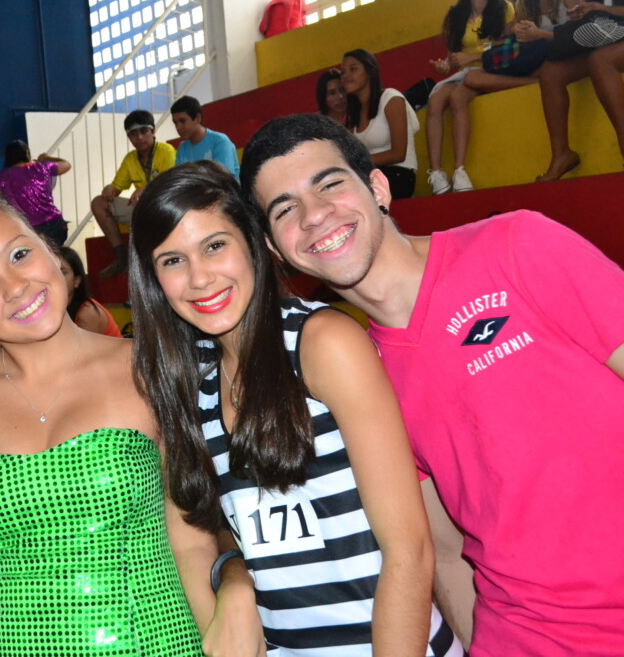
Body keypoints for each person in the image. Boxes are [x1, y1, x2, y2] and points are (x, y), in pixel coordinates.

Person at [240, 112, 624, 654]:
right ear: (276, 249)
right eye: (285, 210)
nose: (315, 216)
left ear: (378, 188)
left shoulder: (516, 245)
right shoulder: (362, 375)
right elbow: (444, 551)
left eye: (329, 184)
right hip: (523, 636)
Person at [128, 161, 462, 656]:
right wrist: (233, 579)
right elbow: (215, 528)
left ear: (254, 242)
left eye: (215, 246)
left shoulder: (322, 342)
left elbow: (408, 551)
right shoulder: (188, 383)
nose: (199, 278)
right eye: (172, 260)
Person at [0, 194, 216, 655]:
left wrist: (221, 630)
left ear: (53, 253)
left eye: (19, 255)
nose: (15, 287)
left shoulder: (150, 367)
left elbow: (191, 541)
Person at [425, 0, 515, 194]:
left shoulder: (505, 8)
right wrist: (444, 66)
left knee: (457, 96)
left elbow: (508, 47)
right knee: (436, 98)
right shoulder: (455, 15)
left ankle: (459, 170)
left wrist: (473, 57)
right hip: (465, 73)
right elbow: (453, 58)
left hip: (492, 68)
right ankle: (436, 173)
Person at [536, 0, 624, 181]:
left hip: (613, 44)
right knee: (551, 74)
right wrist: (583, 12)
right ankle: (562, 155)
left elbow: (604, 12)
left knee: (600, 60)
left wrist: (603, 9)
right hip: (608, 39)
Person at [89, 109, 175, 279]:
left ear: (153, 131)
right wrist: (109, 189)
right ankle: (121, 258)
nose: (139, 137)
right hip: (141, 211)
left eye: (144, 131)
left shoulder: (166, 151)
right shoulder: (130, 159)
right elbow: (116, 188)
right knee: (98, 203)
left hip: (164, 210)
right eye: (133, 134)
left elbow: (170, 184)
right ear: (129, 137)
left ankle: (150, 266)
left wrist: (146, 190)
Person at [342, 49, 420, 199]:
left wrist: (359, 162)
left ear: (369, 72)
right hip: (372, 176)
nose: (346, 76)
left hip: (400, 175)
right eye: (343, 72)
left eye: (353, 69)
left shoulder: (391, 98)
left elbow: (399, 154)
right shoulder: (354, 116)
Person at [0, 139, 72, 245]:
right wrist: (47, 158)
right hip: (55, 225)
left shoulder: (2, 178)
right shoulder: (42, 167)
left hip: (29, 230)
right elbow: (66, 165)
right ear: (27, 153)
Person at [54, 243, 122, 337]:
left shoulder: (87, 312)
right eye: (53, 271)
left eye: (63, 272)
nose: (56, 276)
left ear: (77, 281)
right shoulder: (56, 307)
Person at [171, 95, 241, 178]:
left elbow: (224, 180)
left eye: (183, 121)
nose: (178, 127)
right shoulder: (182, 148)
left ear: (198, 118)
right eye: (175, 123)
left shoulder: (220, 142)